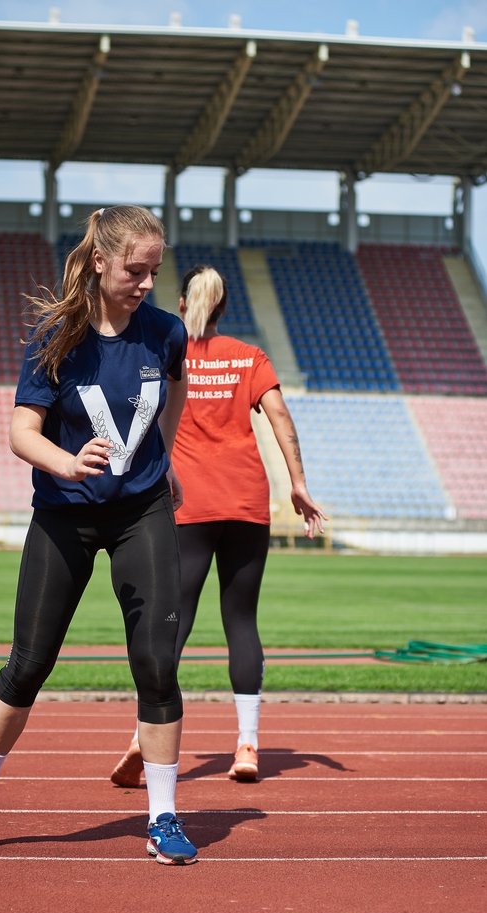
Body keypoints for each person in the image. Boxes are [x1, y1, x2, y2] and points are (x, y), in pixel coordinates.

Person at [0, 205, 198, 865]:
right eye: (134, 270)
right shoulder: (56, 332)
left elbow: (175, 391)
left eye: (153, 272)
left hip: (140, 512)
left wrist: (158, 463)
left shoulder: (166, 332)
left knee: (158, 664)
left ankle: (163, 816)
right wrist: (64, 462)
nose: (144, 283)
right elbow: (21, 431)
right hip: (62, 514)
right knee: (28, 664)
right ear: (101, 261)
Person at [110, 264, 327, 786]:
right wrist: (298, 483)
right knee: (242, 622)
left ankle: (144, 736)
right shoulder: (249, 357)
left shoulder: (165, 350)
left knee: (172, 621)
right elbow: (280, 418)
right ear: (225, 307)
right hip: (248, 503)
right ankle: (248, 743)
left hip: (187, 506)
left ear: (181, 304)